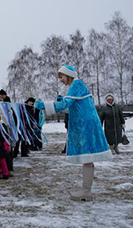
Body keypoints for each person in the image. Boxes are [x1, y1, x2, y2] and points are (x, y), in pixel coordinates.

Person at [35, 65, 112, 201]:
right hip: (87, 124)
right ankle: (86, 190)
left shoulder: (76, 84)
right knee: (88, 158)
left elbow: (65, 105)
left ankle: (86, 191)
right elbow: (72, 108)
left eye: (62, 77)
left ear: (69, 75)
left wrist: (44, 105)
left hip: (85, 125)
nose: (61, 80)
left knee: (87, 157)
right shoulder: (77, 86)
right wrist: (61, 102)